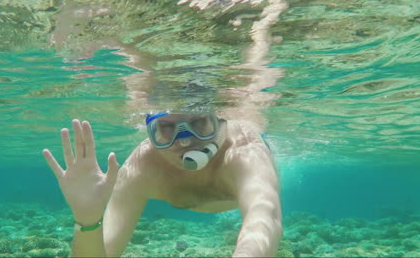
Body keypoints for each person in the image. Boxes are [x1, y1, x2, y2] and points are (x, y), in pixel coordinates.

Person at [42, 109, 282, 257]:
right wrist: (87, 220)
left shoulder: (244, 153)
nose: (185, 141)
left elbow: (264, 219)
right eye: (167, 128)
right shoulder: (143, 168)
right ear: (149, 133)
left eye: (199, 122)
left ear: (219, 121)